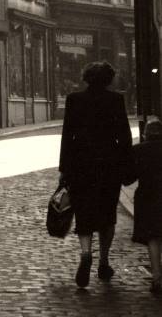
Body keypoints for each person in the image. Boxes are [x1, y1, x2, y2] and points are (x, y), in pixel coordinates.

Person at [59, 61, 132, 288]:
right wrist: (125, 165)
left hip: (81, 166)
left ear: (86, 78)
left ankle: (85, 253)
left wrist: (64, 169)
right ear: (108, 79)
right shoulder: (116, 100)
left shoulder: (74, 99)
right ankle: (104, 261)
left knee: (84, 212)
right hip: (108, 167)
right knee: (107, 214)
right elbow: (124, 136)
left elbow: (67, 136)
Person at [131, 117, 162, 295]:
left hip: (148, 198)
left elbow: (128, 178)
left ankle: (156, 276)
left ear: (145, 135)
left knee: (153, 237)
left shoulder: (139, 151)